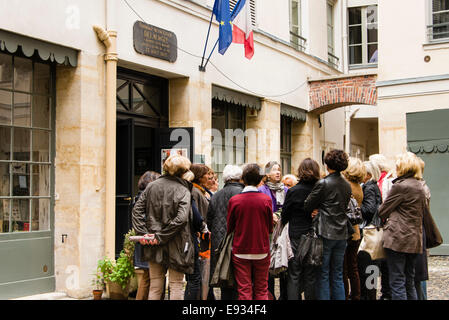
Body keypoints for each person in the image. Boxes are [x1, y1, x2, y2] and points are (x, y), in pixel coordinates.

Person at [131, 154, 195, 300]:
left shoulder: (151, 186)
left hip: (153, 241)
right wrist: (160, 235)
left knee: (155, 284)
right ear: (183, 171)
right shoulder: (183, 189)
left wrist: (145, 234)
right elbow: (181, 218)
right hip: (177, 242)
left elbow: (136, 211)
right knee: (176, 284)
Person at [378, 152, 427, 300]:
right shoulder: (420, 185)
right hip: (414, 239)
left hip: (397, 238)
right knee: (409, 281)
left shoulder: (400, 186)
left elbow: (382, 210)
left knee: (397, 281)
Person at [304, 149, 352, 300]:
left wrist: (317, 208)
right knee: (337, 273)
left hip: (325, 232)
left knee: (323, 273)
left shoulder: (323, 183)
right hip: (342, 232)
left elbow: (307, 204)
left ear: (327, 164)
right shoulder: (346, 184)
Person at [227, 163, 274, 300]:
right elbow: (270, 227)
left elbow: (230, 227)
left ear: (243, 179)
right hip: (261, 249)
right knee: (261, 289)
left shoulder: (235, 200)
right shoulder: (266, 200)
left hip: (240, 248)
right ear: (260, 180)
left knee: (244, 289)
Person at [282, 158, 321, 300]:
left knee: (294, 273)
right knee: (311, 274)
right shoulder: (320, 189)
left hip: (296, 234)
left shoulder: (293, 191)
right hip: (314, 234)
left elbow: (285, 214)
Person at [206, 165, 244, 300]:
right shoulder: (244, 193)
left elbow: (209, 220)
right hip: (240, 241)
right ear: (240, 178)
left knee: (225, 278)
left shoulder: (216, 196)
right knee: (242, 280)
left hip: (219, 243)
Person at [258, 161, 289, 300]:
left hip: (283, 232)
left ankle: (284, 295)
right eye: (274, 170)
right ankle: (269, 296)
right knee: (269, 266)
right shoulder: (262, 190)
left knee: (283, 264)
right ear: (267, 174)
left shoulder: (286, 190)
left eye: (279, 170)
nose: (278, 172)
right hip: (267, 233)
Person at [368, 153, 395, 300]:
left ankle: (383, 292)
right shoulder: (378, 181)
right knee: (378, 262)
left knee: (376, 262)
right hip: (380, 226)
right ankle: (382, 292)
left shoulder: (385, 181)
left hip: (380, 226)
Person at [133, 171, 161, 300]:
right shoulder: (145, 198)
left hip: (144, 241)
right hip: (147, 242)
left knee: (147, 277)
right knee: (147, 277)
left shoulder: (139, 197)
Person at [342, 157, 366, 300]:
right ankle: (356, 295)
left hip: (346, 231)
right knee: (353, 267)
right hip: (356, 231)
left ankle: (345, 295)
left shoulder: (346, 186)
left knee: (343, 269)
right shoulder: (358, 187)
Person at [358, 160, 382, 300]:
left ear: (367, 174)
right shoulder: (373, 186)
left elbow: (369, 210)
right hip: (373, 231)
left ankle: (368, 296)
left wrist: (355, 207)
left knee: (368, 268)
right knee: (371, 268)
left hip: (369, 232)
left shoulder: (369, 188)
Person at [189, 164, 213, 300]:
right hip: (201, 236)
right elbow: (196, 214)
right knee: (199, 275)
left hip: (204, 236)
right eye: (206, 174)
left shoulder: (200, 191)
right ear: (199, 176)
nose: (208, 176)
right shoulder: (195, 191)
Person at [414, 157, 431, 300]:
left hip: (418, 231)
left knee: (419, 273)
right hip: (419, 230)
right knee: (420, 271)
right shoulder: (422, 186)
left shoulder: (420, 188)